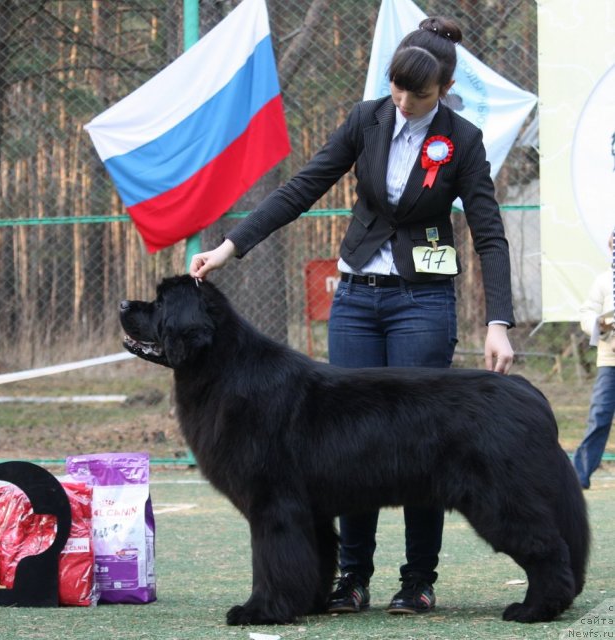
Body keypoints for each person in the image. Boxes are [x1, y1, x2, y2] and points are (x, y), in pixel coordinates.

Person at [190, 16, 514, 616]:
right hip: (358, 300)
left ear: (442, 89)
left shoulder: (463, 141)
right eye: (395, 87)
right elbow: (300, 189)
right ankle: (351, 577)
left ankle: (417, 580)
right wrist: (230, 247)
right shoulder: (366, 120)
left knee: (423, 444)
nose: (402, 101)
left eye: (416, 93)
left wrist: (499, 321)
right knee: (347, 447)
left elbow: (490, 236)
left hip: (423, 303)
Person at [573, 230, 615, 489]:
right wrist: (599, 323)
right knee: (599, 414)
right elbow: (587, 313)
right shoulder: (603, 281)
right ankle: (579, 475)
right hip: (610, 360)